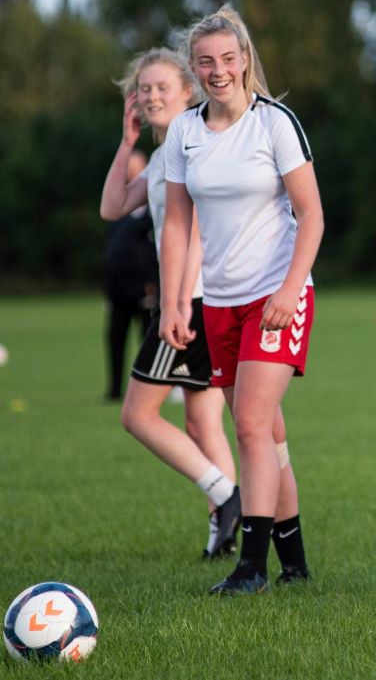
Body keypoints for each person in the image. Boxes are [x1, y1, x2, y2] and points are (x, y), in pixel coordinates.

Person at [159, 5, 323, 595]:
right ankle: (296, 562)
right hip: (219, 302)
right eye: (206, 62)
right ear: (194, 69)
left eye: (228, 58)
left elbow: (312, 215)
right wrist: (177, 304)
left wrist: (288, 289)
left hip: (277, 296)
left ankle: (252, 565)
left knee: (249, 424)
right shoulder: (184, 131)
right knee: (268, 433)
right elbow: (178, 224)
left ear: (246, 59)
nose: (218, 70)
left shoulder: (275, 123)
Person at [100, 48, 241, 560]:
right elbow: (112, 206)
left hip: (194, 301)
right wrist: (127, 142)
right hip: (197, 302)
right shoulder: (163, 155)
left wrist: (176, 306)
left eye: (162, 87)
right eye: (143, 88)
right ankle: (224, 535)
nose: (151, 95)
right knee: (203, 424)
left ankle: (228, 497)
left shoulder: (193, 147)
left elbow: (197, 232)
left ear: (189, 92)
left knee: (137, 416)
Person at [102, 149, 157, 401]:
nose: (131, 172)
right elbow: (111, 252)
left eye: (136, 167)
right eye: (128, 168)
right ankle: (114, 390)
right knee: (115, 337)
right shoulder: (117, 210)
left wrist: (154, 284)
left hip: (144, 289)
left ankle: (153, 388)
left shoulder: (155, 209)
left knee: (148, 340)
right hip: (118, 289)